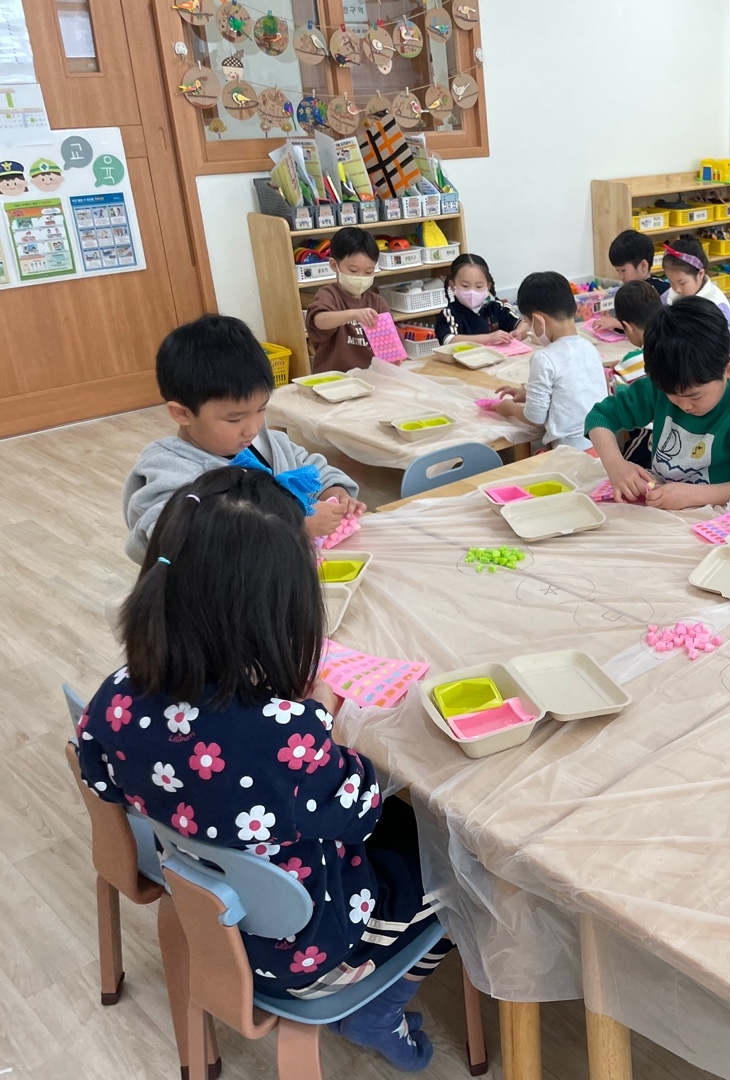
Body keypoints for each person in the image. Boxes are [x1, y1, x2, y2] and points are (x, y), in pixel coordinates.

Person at [81, 468, 446, 1071]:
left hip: (204, 917)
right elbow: (361, 812)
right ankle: (377, 1007)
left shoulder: (115, 695)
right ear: (278, 612)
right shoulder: (286, 735)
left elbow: (102, 781)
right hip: (307, 948)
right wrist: (321, 715)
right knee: (453, 863)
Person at [123, 315, 361, 563]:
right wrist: (294, 528)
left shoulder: (267, 444)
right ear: (182, 413)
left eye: (261, 409)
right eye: (235, 419)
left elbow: (313, 468)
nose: (252, 428)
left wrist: (334, 491)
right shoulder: (169, 471)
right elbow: (176, 543)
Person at [586, 297, 730, 509]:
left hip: (718, 515)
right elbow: (600, 417)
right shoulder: (662, 385)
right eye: (672, 395)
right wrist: (616, 465)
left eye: (695, 396)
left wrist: (695, 495)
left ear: (728, 368)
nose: (684, 406)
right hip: (665, 508)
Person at [493, 271, 607, 449]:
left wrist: (510, 408)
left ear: (539, 321)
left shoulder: (544, 358)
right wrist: (528, 396)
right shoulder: (589, 347)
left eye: (530, 324)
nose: (531, 330)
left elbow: (535, 418)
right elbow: (574, 395)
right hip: (605, 446)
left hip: (572, 451)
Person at [306, 227, 391, 373]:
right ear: (334, 265)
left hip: (368, 375)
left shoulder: (376, 302)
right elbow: (319, 321)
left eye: (368, 272)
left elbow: (388, 346)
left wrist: (393, 357)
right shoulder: (329, 295)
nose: (360, 277)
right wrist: (353, 314)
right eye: (353, 271)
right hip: (334, 377)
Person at [433, 252, 525, 346]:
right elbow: (449, 340)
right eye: (465, 286)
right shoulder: (449, 314)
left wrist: (518, 332)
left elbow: (524, 323)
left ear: (488, 286)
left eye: (479, 286)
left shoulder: (496, 306)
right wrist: (488, 338)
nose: (472, 292)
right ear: (452, 286)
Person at [591, 229, 669, 333]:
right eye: (617, 270)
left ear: (643, 266)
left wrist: (616, 323)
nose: (620, 277)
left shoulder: (656, 292)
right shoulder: (630, 291)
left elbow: (650, 327)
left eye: (623, 270)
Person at [660, 237, 730, 335]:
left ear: (700, 274)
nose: (677, 289)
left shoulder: (716, 302)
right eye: (671, 282)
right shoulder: (669, 295)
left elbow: (728, 329)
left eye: (682, 283)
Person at [610, 279, 662, 386]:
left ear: (628, 327)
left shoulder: (626, 367)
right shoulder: (680, 347)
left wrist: (624, 366)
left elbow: (617, 394)